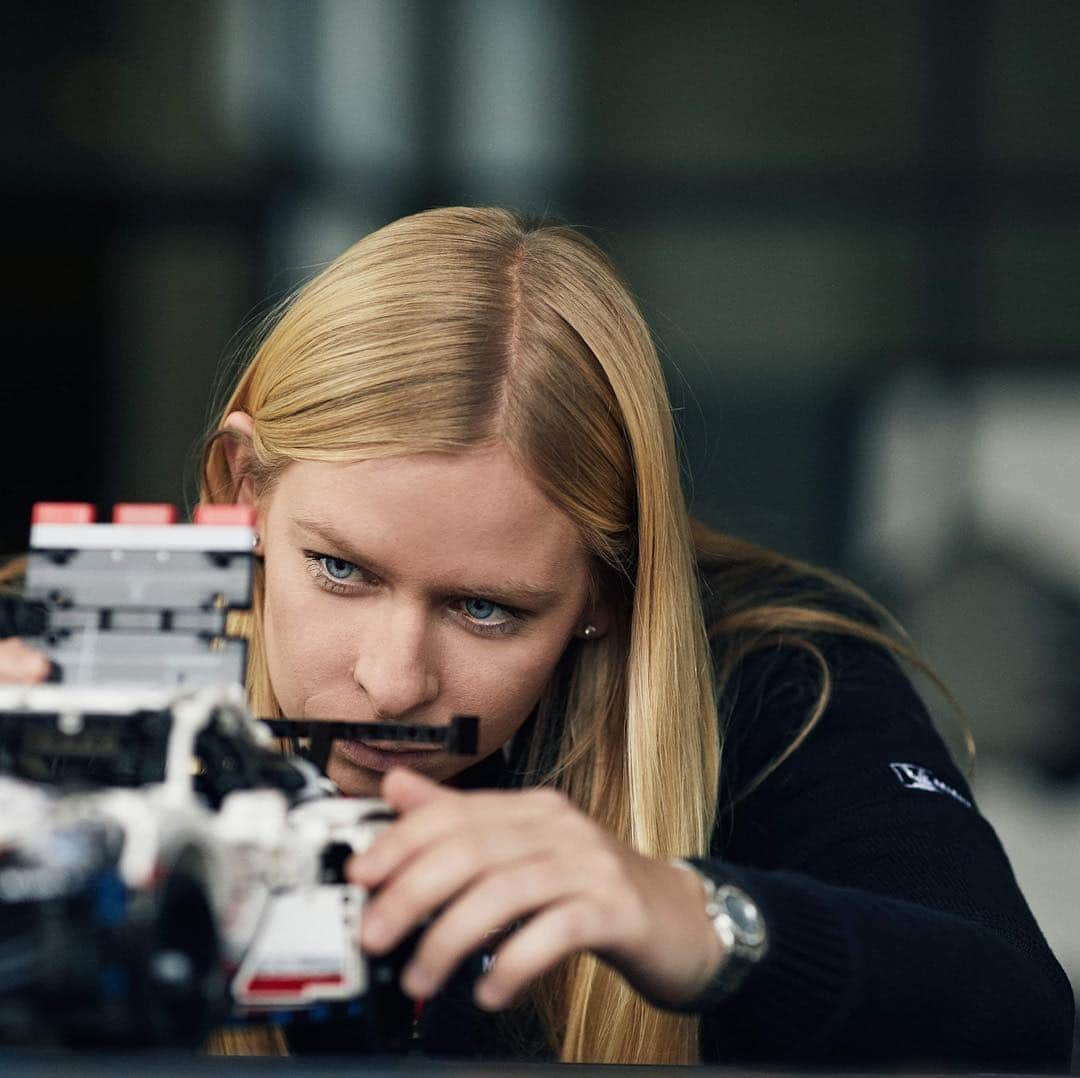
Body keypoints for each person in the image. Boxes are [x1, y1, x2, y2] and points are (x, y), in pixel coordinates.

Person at [1, 207, 1073, 1068]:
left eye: (485, 609)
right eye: (340, 570)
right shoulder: (60, 656)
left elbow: (1016, 1018)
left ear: (610, 587)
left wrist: (696, 918)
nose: (390, 680)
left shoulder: (774, 682)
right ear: (242, 490)